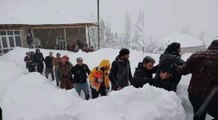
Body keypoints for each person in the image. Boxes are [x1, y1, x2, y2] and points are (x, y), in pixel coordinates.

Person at [176, 40, 218, 120]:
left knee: (198, 115)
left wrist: (176, 68)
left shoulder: (196, 55)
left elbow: (183, 70)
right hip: (214, 98)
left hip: (195, 94)